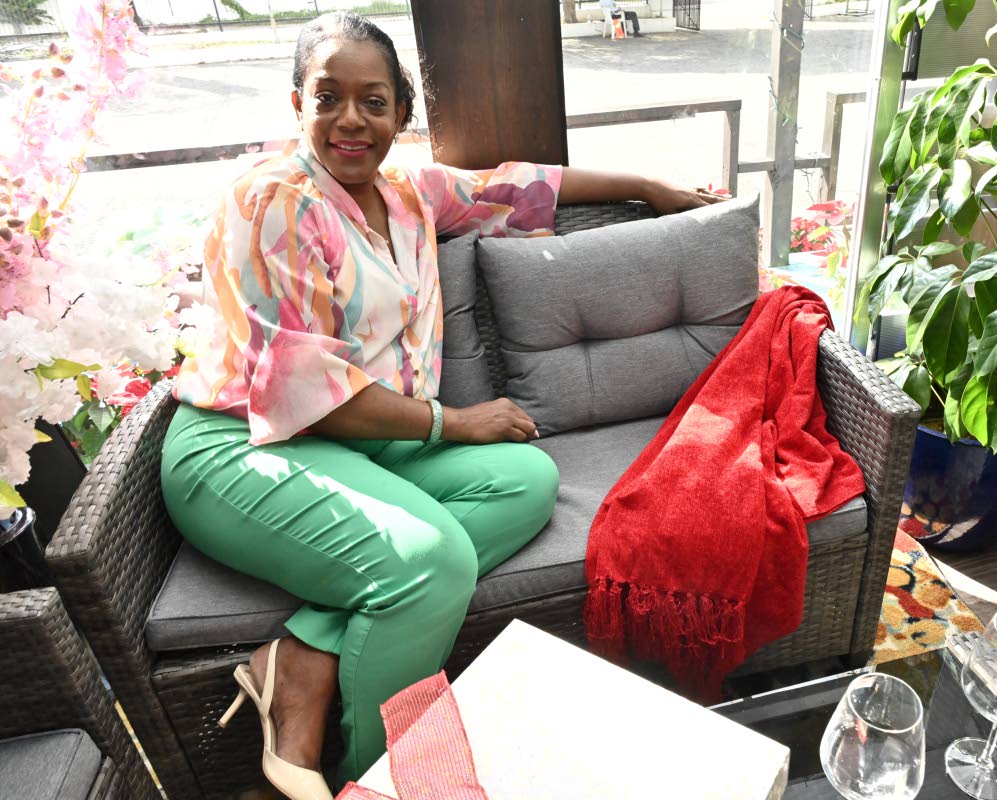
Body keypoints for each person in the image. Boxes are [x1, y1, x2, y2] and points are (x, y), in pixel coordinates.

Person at [160, 11, 720, 799]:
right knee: (434, 561)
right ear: (296, 104)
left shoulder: (408, 194)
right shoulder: (271, 201)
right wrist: (454, 422)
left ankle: (303, 654)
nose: (351, 119)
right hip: (243, 447)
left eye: (373, 102)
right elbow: (305, 395)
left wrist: (648, 187)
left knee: (527, 480)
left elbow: (514, 185)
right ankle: (372, 779)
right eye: (328, 97)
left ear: (400, 114)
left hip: (355, 444)